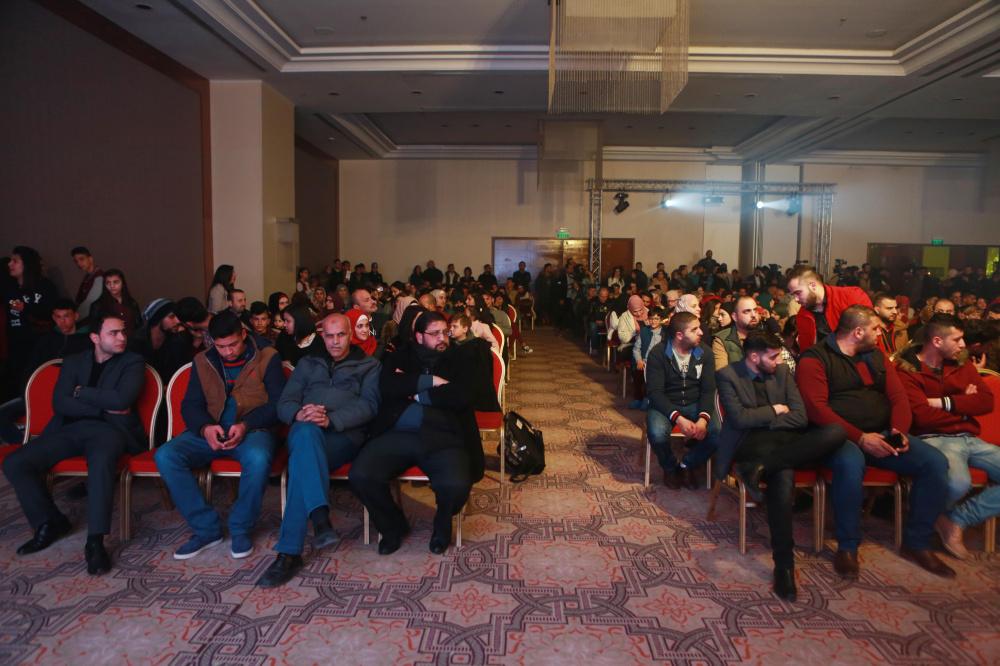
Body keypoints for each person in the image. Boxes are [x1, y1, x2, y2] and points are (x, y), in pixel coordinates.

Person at [796, 305, 954, 578]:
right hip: (838, 436)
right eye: (876, 329)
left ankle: (917, 543)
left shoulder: (875, 355)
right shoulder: (815, 359)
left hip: (883, 433)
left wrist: (898, 432)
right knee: (850, 463)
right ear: (858, 332)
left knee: (935, 462)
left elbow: (898, 398)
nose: (881, 333)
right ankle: (848, 546)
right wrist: (860, 438)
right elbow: (816, 410)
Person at [2, 313, 146, 575]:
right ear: (95, 337)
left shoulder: (132, 361)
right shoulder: (73, 362)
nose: (122, 338)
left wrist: (81, 391)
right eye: (114, 333)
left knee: (100, 462)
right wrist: (100, 408)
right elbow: (60, 403)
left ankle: (95, 541)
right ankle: (50, 522)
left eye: (123, 332)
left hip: (110, 430)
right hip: (70, 428)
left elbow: (121, 400)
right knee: (15, 462)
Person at [349, 311, 497, 555]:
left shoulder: (459, 356)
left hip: (444, 435)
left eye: (445, 332)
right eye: (434, 333)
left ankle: (442, 522)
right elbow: (388, 386)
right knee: (362, 475)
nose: (442, 338)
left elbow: (462, 394)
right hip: (398, 433)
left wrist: (414, 392)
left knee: (457, 484)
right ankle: (393, 526)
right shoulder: (400, 356)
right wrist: (433, 382)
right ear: (419, 336)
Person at [714, 331, 845, 600]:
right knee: (783, 476)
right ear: (754, 357)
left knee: (836, 432)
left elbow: (800, 417)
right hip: (751, 443)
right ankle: (784, 565)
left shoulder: (783, 372)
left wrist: (763, 419)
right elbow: (740, 420)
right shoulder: (728, 375)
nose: (779, 361)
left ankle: (762, 468)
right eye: (773, 357)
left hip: (785, 440)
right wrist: (775, 410)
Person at [257, 314, 380, 587]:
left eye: (341, 335)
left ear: (351, 335)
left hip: (343, 437)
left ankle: (291, 550)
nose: (335, 342)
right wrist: (300, 413)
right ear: (322, 336)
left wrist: (330, 419)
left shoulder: (369, 365)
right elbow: (285, 402)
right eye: (330, 336)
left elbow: (369, 406)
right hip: (306, 430)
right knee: (304, 434)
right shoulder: (307, 363)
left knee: (301, 462)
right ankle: (318, 520)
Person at [154, 311, 285, 560]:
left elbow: (278, 404)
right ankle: (206, 529)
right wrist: (205, 428)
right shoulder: (202, 360)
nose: (228, 352)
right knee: (166, 456)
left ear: (243, 334)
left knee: (258, 459)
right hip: (212, 428)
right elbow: (190, 405)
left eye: (233, 344)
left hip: (253, 429)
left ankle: (241, 527)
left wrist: (246, 425)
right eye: (221, 346)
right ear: (212, 341)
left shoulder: (268, 356)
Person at [897, 315, 999, 560]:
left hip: (969, 437)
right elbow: (922, 416)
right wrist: (964, 406)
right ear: (937, 341)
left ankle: (957, 519)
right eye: (957, 339)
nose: (963, 344)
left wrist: (944, 403)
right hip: (934, 438)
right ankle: (938, 518)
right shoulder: (907, 370)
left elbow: (986, 402)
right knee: (958, 483)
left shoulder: (962, 364)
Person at [645, 311, 718, 489]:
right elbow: (655, 393)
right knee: (657, 434)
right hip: (666, 404)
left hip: (695, 403)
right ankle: (670, 468)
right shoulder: (658, 353)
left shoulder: (705, 353)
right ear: (679, 335)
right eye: (694, 329)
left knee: (718, 433)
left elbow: (708, 390)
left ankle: (687, 464)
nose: (701, 332)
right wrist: (678, 418)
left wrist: (703, 419)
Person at [4, 247, 59, 400]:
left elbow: (52, 313)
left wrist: (26, 308)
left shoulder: (45, 286)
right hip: (16, 348)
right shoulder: (9, 287)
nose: (10, 264)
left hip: (40, 347)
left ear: (26, 264)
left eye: (15, 261)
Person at [787, 265, 872, 353]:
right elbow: (807, 351)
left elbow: (871, 334)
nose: (796, 299)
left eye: (798, 293)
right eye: (793, 295)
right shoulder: (802, 316)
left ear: (813, 285)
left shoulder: (852, 296)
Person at [131, 298, 191, 384]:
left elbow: (182, 374)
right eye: (171, 317)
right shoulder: (136, 344)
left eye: (177, 317)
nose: (178, 321)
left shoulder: (178, 341)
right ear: (157, 319)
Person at [87, 268, 142, 336]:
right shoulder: (97, 305)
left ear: (123, 283)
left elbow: (139, 326)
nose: (112, 286)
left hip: (132, 339)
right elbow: (94, 330)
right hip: (110, 341)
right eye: (108, 283)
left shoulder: (132, 303)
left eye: (115, 282)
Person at [713, 296, 760, 370]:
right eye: (747, 311)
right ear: (735, 317)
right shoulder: (723, 339)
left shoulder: (766, 335)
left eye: (755, 310)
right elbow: (722, 373)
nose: (753, 315)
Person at [70, 246, 103, 321]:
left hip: (93, 319)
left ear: (90, 259)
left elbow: (90, 302)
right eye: (76, 261)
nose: (79, 263)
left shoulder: (99, 277)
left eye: (81, 259)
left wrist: (74, 319)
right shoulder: (88, 276)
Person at [873, 292, 908, 359]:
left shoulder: (901, 329)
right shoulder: (871, 330)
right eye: (889, 308)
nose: (895, 312)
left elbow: (906, 356)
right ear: (877, 310)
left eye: (896, 308)